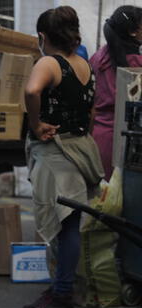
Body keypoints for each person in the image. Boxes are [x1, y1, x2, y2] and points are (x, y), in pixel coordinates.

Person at [23, 6, 104, 308]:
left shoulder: (48, 62)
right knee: (67, 224)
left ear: (42, 37)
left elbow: (32, 90)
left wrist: (35, 123)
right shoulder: (83, 63)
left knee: (65, 225)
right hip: (81, 146)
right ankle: (60, 288)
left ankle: (62, 297)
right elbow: (92, 111)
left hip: (57, 154)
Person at [90, 6, 142, 181]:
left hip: (98, 139)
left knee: (102, 201)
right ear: (134, 32)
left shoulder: (97, 58)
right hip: (130, 143)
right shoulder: (137, 63)